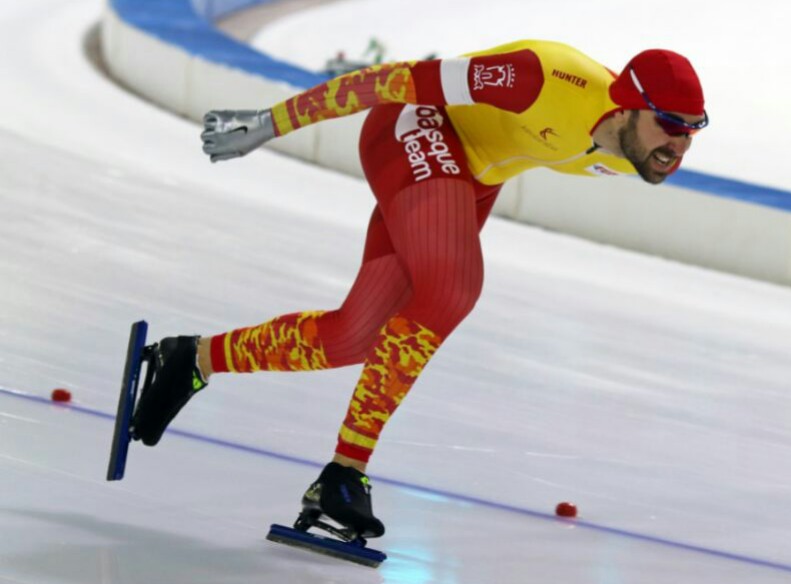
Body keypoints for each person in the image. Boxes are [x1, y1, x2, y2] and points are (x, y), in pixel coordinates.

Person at [130, 39, 707, 540]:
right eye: (669, 125)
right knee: (453, 286)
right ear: (628, 105)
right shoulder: (543, 76)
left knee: (351, 338)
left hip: (471, 180)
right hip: (414, 125)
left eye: (692, 130)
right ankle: (344, 473)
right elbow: (391, 81)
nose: (678, 146)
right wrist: (268, 123)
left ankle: (191, 359)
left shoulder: (638, 155)